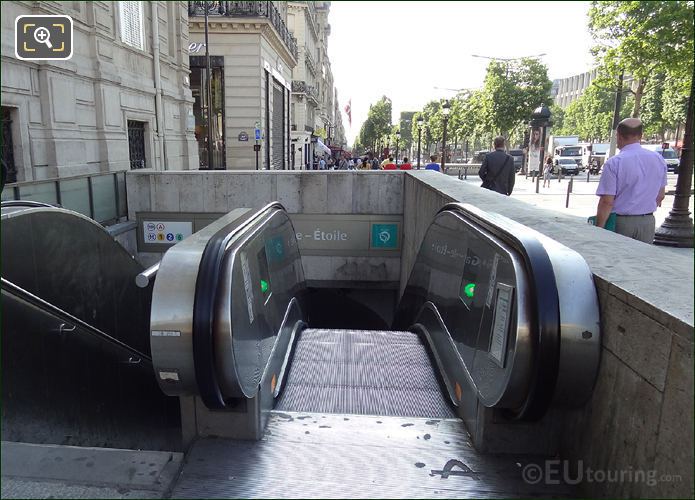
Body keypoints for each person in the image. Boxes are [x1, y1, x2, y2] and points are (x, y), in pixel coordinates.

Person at [595, 118, 667, 244]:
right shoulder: (658, 159)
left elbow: (607, 201)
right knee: (642, 261)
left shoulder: (614, 163)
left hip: (621, 222)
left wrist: (599, 228)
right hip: (648, 221)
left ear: (619, 136)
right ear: (640, 135)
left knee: (617, 259)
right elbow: (660, 195)